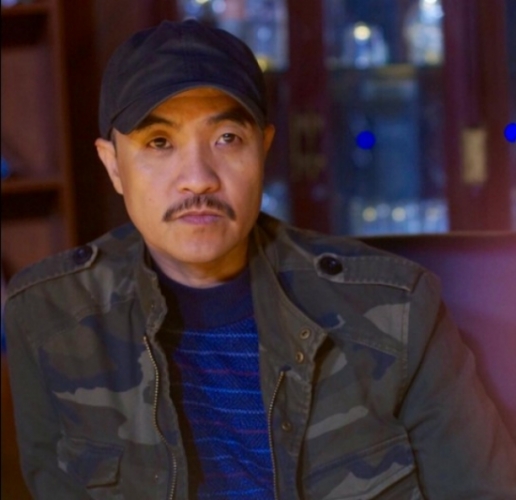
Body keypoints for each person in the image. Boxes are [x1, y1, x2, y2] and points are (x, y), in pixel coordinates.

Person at [4, 20, 516, 500]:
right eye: (159, 143)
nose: (198, 178)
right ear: (113, 165)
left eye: (227, 139)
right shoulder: (47, 318)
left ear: (263, 148)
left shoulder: (398, 311)